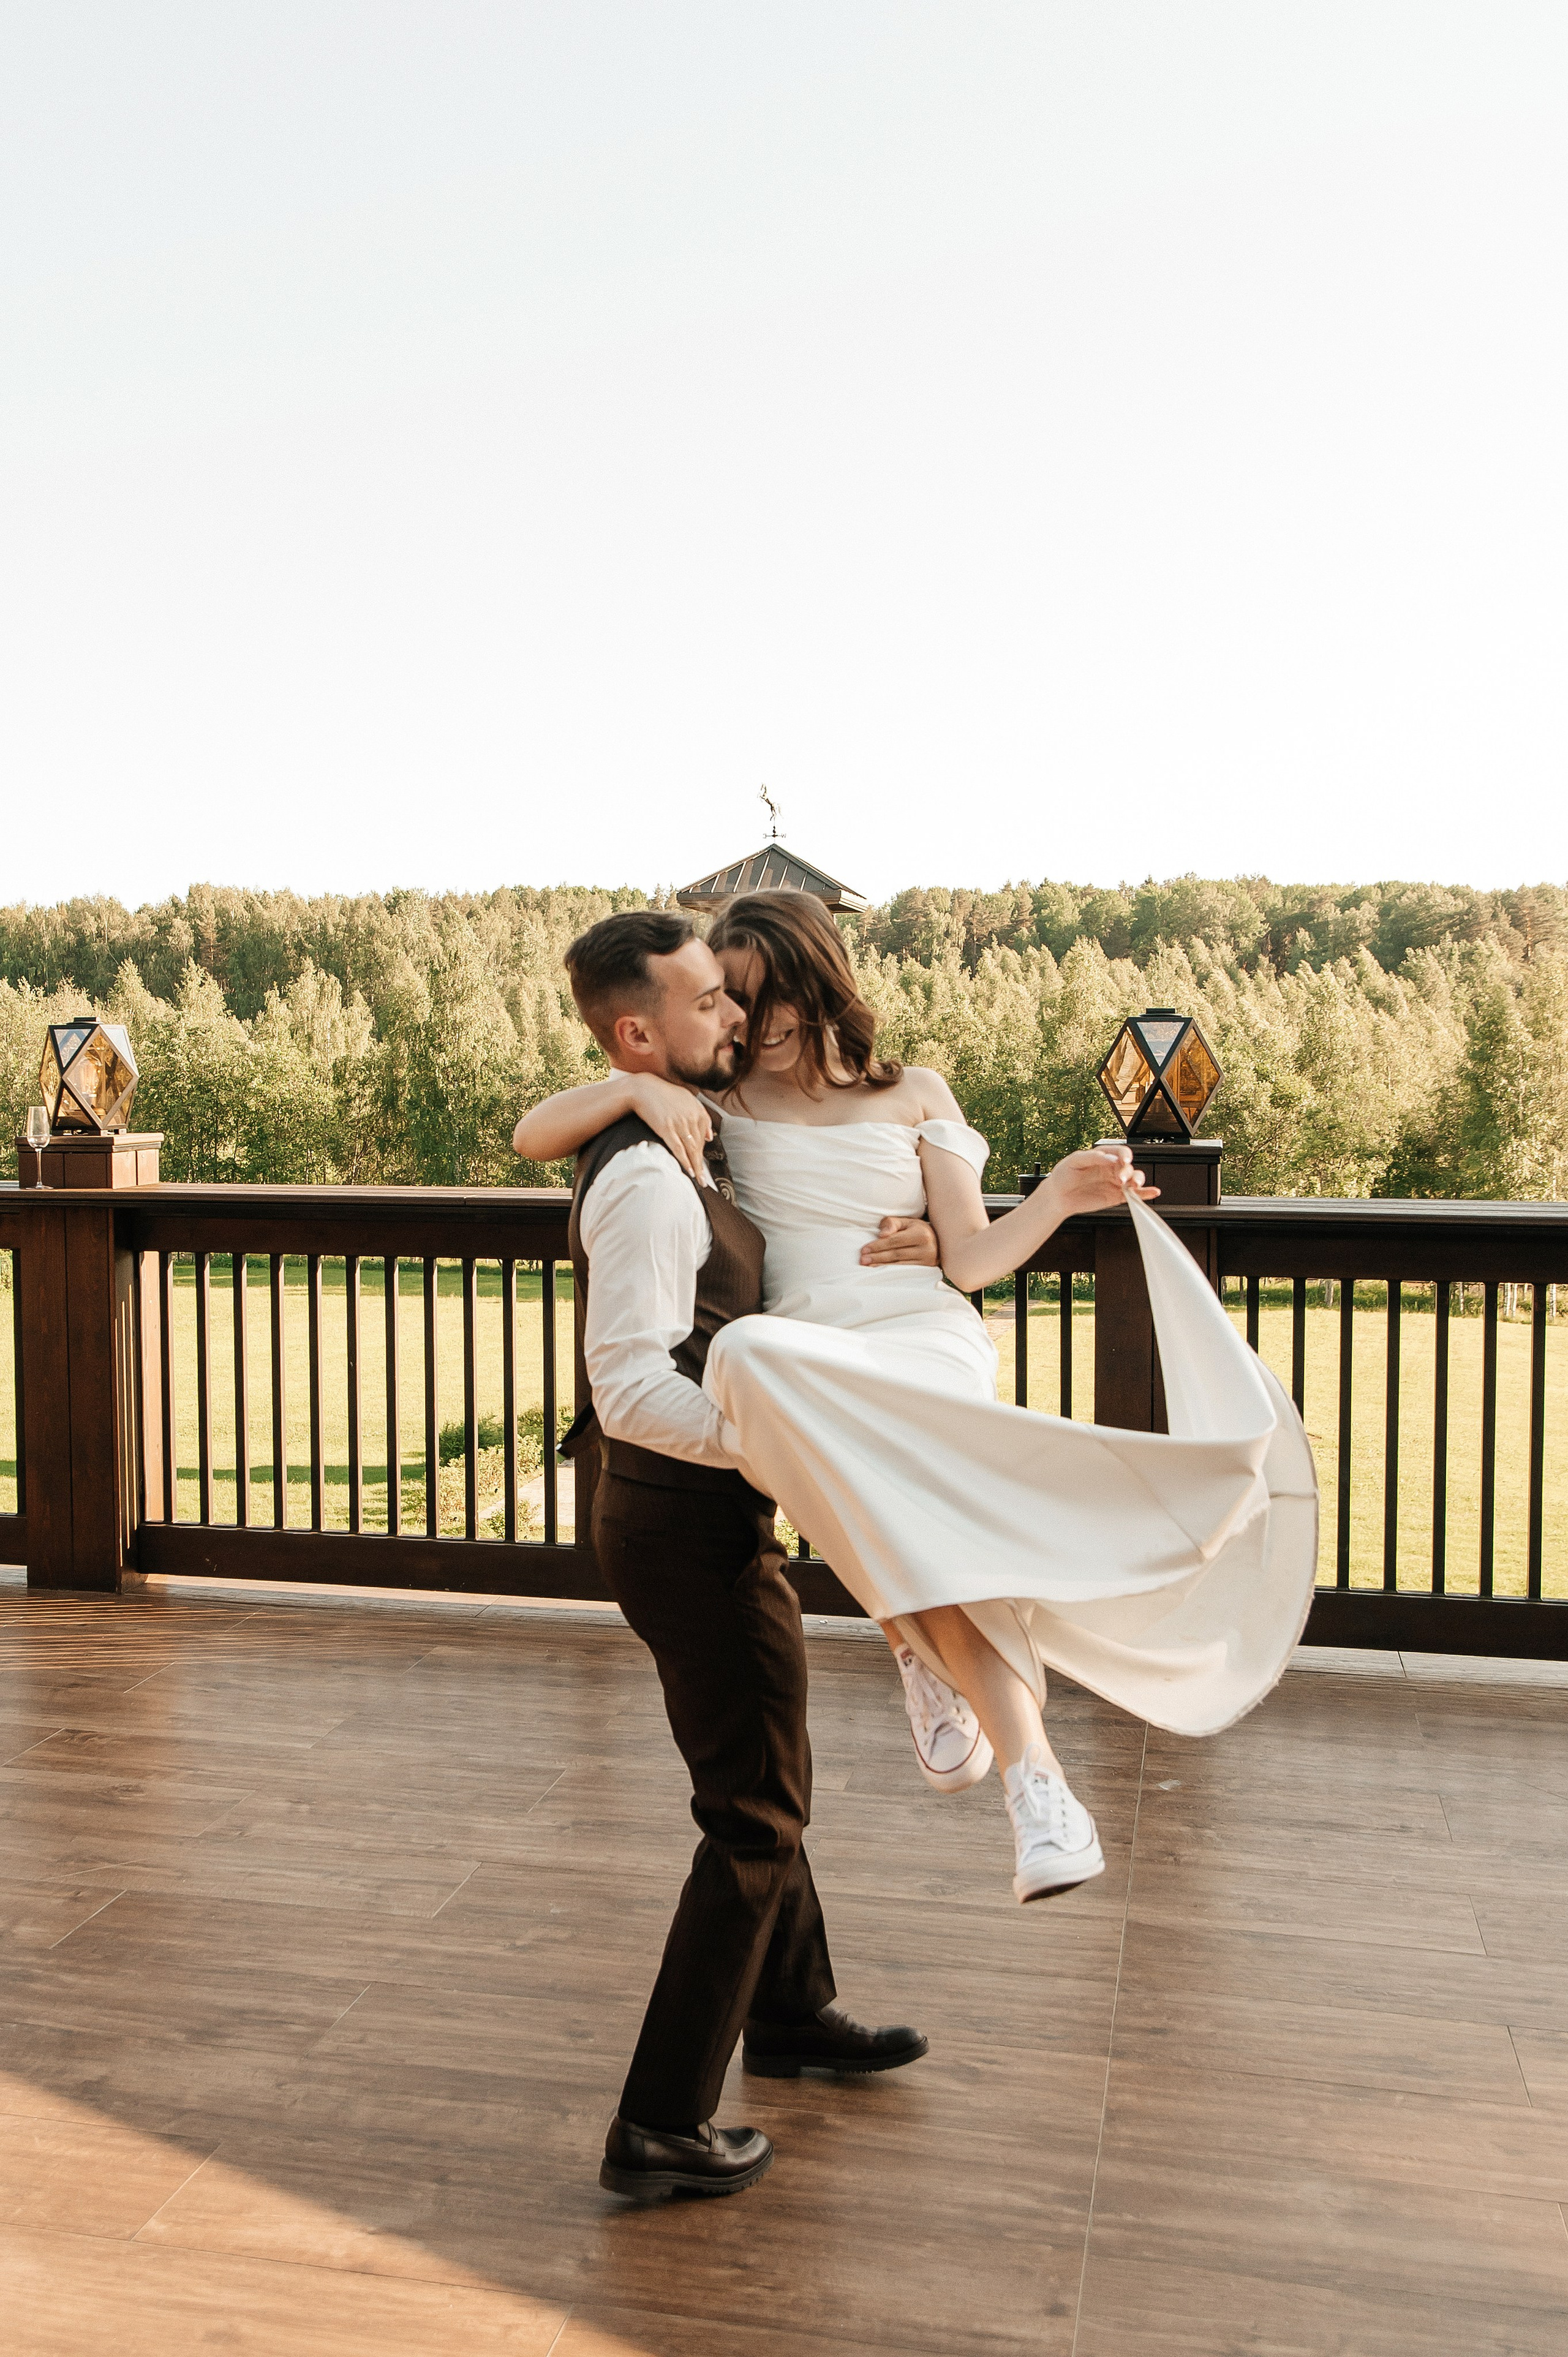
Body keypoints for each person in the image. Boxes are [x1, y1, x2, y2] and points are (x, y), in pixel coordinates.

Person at [516, 892, 1319, 1911]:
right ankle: (998, 1737)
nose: (741, 1026)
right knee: (766, 1366)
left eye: (759, 1003)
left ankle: (1023, 1771)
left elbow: (975, 1262)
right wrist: (626, 1093)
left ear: (813, 996)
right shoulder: (719, 1103)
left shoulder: (917, 1095)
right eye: (726, 1003)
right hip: (812, 1349)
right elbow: (533, 1132)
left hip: (920, 1334)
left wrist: (1056, 1197)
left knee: (904, 1503)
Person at [554, 909, 930, 2205]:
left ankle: (789, 2012)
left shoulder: (675, 1131)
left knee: (758, 1771)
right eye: (708, 1002)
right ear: (637, 1033)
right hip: (677, 1523)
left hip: (689, 1518)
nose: (733, 1018)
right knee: (755, 1812)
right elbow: (629, 1389)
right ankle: (658, 2119)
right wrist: (787, 1443)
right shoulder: (651, 1180)